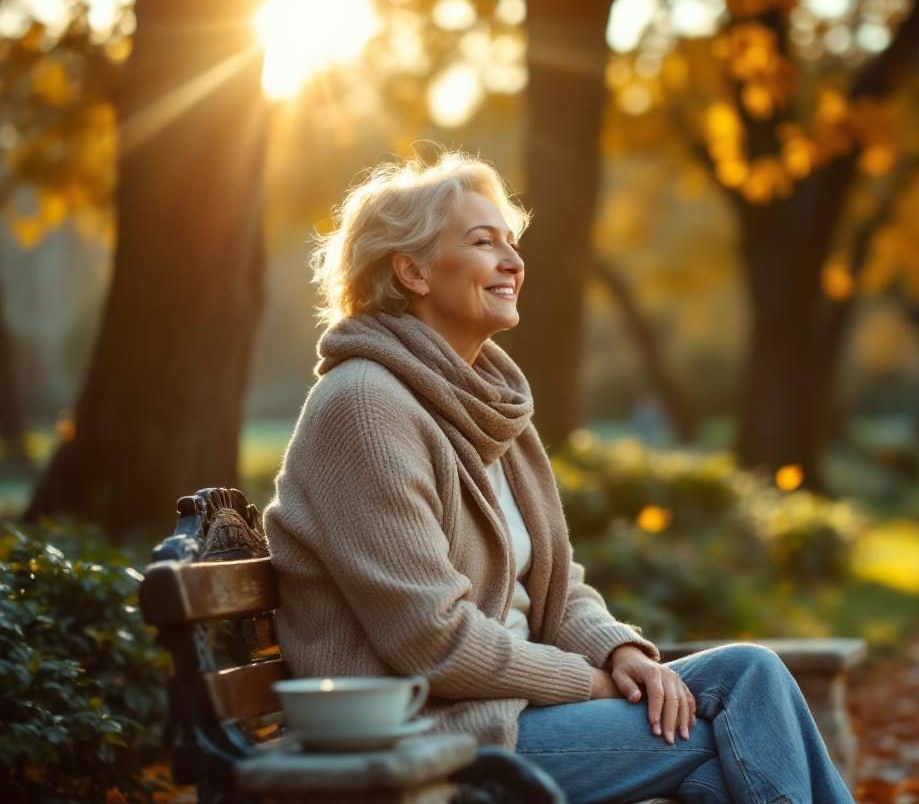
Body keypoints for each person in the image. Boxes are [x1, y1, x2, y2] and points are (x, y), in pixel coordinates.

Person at [263, 152, 854, 804]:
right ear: (412, 271)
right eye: (482, 242)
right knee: (742, 701)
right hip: (430, 732)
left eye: (511, 243)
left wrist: (621, 653)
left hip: (514, 713)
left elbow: (556, 588)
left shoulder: (486, 403)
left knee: (740, 703)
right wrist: (590, 681)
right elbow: (434, 641)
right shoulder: (367, 406)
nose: (513, 262)